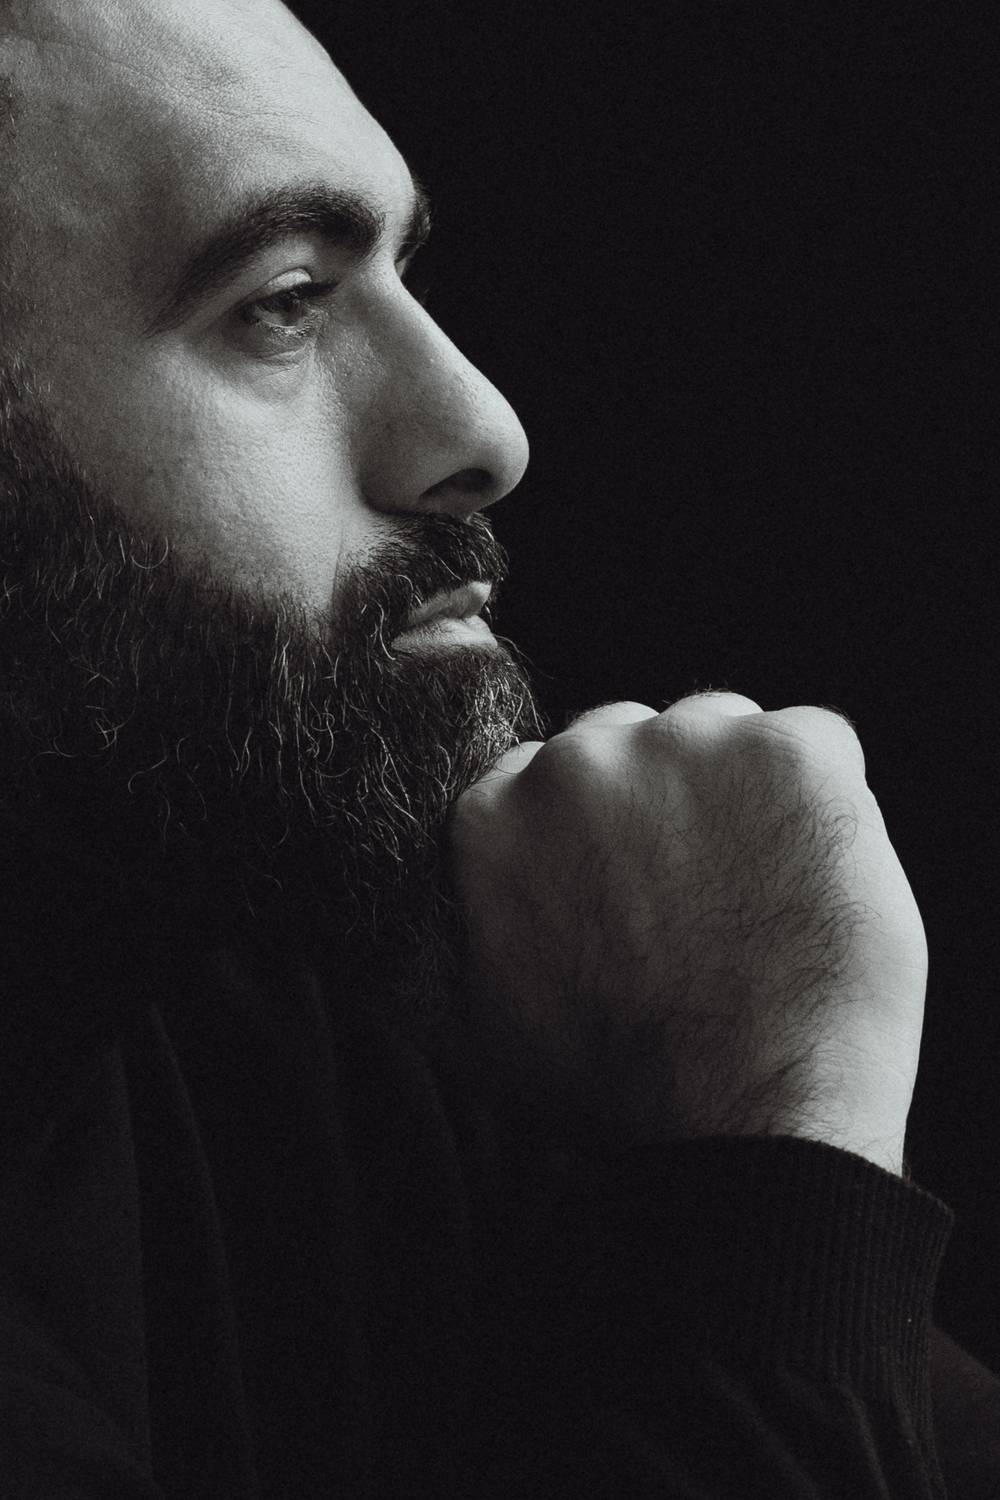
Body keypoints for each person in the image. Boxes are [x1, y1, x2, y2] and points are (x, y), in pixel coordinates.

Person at [0, 1, 997, 1495]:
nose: (485, 427)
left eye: (401, 272)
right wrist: (784, 1119)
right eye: (282, 300)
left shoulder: (259, 999)